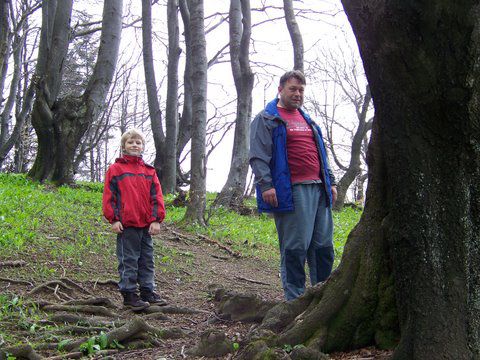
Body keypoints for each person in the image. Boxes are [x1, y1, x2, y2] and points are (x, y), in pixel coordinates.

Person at [249, 70, 337, 301]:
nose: (297, 94)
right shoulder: (267, 118)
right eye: (292, 89)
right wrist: (266, 185)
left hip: (319, 189)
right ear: (280, 90)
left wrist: (331, 181)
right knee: (295, 247)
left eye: (301, 90)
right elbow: (258, 156)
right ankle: (295, 299)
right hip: (292, 191)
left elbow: (321, 154)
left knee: (323, 247)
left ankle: (323, 295)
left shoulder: (308, 120)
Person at [102, 128, 167, 310]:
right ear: (123, 146)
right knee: (128, 259)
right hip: (127, 225)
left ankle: (148, 291)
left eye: (138, 142)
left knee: (147, 259)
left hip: (146, 225)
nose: (134, 145)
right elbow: (110, 196)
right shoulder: (116, 169)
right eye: (130, 142)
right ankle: (129, 294)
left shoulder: (149, 171)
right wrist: (114, 219)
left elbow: (157, 196)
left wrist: (156, 220)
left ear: (143, 147)